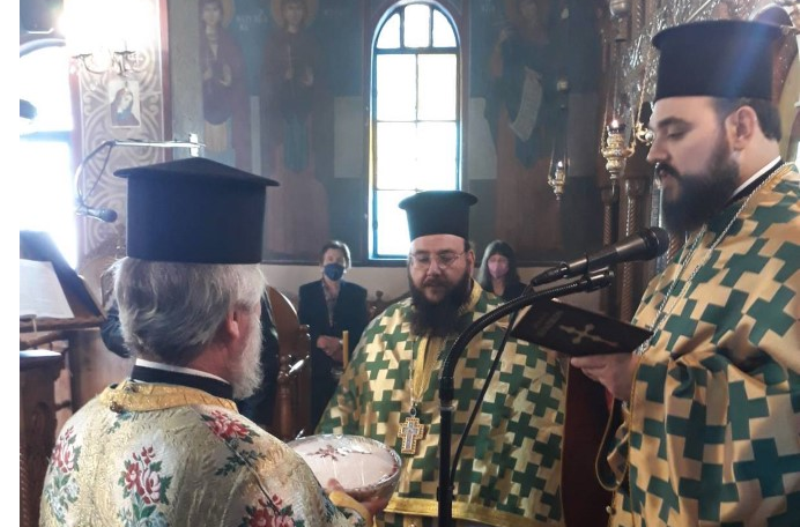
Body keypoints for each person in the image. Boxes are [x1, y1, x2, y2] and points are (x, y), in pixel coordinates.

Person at [40, 157, 384, 526]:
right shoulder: (254, 464)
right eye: (257, 310)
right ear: (233, 319)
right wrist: (354, 511)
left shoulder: (76, 431)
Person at [570, 20, 800, 526]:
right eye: (654, 134)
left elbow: (788, 421)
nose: (654, 152)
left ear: (741, 128)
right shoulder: (707, 231)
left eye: (674, 132)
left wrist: (642, 381)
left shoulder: (793, 232)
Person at [317, 191, 567, 527]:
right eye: (421, 259)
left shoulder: (512, 334)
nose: (433, 270)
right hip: (383, 515)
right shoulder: (381, 331)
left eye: (446, 258)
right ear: (409, 263)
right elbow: (342, 418)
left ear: (470, 260)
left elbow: (541, 435)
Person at [260, 0, 329, 259]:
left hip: (306, 119)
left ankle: (309, 243)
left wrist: (311, 82)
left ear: (304, 12)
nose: (294, 13)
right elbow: (264, 84)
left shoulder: (312, 43)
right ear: (282, 12)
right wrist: (283, 79)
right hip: (282, 124)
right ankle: (283, 244)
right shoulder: (273, 43)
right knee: (284, 180)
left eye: (299, 8)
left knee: (306, 182)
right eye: (290, 8)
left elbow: (324, 82)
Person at [298, 240, 369, 429]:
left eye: (339, 260)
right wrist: (319, 340)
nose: (334, 264)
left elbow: (363, 329)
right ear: (321, 264)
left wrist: (341, 344)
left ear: (347, 265)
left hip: (347, 360)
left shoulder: (357, 293)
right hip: (316, 361)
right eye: (329, 259)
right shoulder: (307, 292)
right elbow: (302, 325)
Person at [200, 0, 251, 170]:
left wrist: (230, 80)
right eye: (207, 10)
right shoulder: (196, 40)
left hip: (227, 105)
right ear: (201, 14)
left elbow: (239, 73)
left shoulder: (229, 41)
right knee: (205, 156)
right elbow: (187, 74)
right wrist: (203, 77)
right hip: (203, 106)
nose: (211, 14)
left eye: (215, 10)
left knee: (226, 155)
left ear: (221, 13)